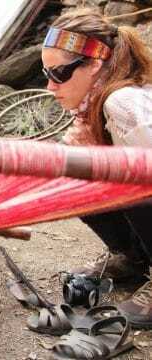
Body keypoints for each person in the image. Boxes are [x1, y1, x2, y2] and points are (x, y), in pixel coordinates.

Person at [41, 8, 152, 328]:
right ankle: (135, 257)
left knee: (136, 184)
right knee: (75, 172)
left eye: (59, 73)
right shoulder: (89, 111)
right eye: (45, 72)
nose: (50, 86)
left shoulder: (124, 104)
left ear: (93, 64)